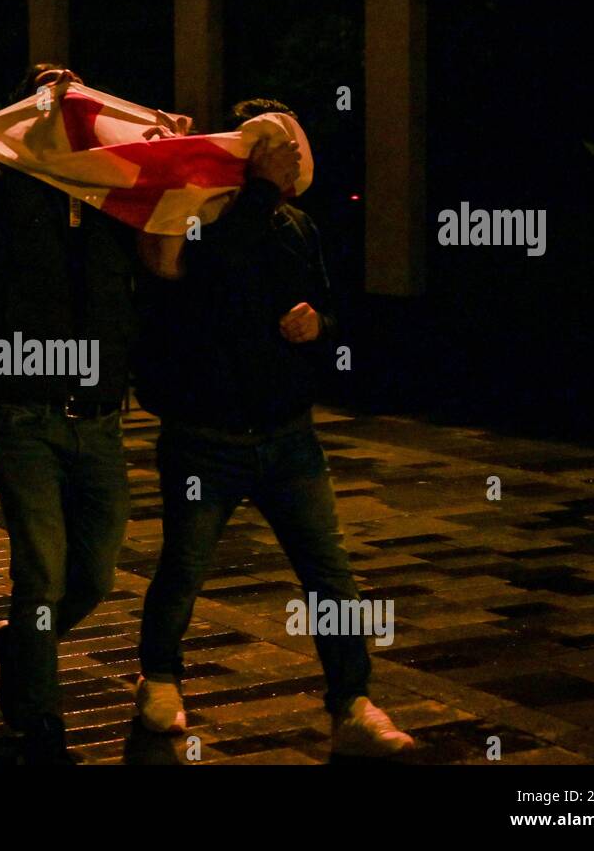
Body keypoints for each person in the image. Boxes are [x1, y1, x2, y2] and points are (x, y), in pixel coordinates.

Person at [132, 99, 416, 757]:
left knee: (330, 575)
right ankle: (161, 680)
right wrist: (255, 189)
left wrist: (320, 327)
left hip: (288, 435)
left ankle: (353, 701)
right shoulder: (198, 219)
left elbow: (329, 311)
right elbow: (207, 279)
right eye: (271, 144)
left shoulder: (295, 224)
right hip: (207, 438)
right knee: (184, 567)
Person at [0, 64, 165, 764]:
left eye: (75, 91)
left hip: (103, 416)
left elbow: (166, 262)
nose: (63, 104)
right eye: (47, 95)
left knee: (97, 574)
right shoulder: (1, 188)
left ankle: (25, 640)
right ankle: (39, 724)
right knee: (41, 572)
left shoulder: (115, 188)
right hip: (25, 413)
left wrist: (169, 168)